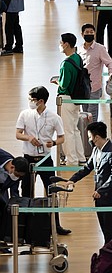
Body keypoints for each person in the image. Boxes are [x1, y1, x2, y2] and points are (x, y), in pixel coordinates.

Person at [16, 86, 70, 235]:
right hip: (28, 159)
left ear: (41, 101)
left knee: (52, 191)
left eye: (32, 99)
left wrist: (53, 143)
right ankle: (24, 226)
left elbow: (62, 137)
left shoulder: (54, 118)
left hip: (45, 159)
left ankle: (55, 225)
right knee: (26, 191)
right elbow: (18, 134)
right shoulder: (25, 114)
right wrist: (28, 137)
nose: (30, 102)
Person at [68, 122, 112, 245]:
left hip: (110, 197)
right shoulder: (96, 150)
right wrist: (72, 179)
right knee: (105, 229)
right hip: (99, 197)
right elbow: (87, 168)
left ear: (96, 137)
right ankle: (110, 251)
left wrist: (101, 191)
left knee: (109, 230)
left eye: (89, 136)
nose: (89, 139)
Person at [55, 33, 87, 166]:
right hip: (76, 98)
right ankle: (81, 158)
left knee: (67, 130)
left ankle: (71, 160)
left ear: (66, 44)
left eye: (61, 42)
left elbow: (64, 84)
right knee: (75, 129)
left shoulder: (65, 64)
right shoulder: (77, 58)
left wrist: (57, 81)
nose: (60, 45)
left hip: (66, 99)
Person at [78, 24, 112, 121]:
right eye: (87, 32)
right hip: (82, 88)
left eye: (91, 32)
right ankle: (87, 135)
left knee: (92, 115)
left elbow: (110, 63)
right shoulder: (79, 49)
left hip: (94, 88)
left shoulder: (100, 49)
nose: (89, 34)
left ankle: (94, 135)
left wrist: (111, 75)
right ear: (82, 34)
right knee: (85, 114)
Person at [0, 149, 28, 219]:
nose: (17, 177)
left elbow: (14, 192)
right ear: (12, 167)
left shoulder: (17, 176)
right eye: (17, 174)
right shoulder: (2, 156)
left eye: (20, 176)